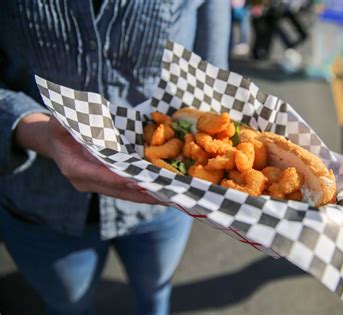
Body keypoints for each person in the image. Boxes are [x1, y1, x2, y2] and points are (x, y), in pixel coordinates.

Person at [0, 1, 230, 314]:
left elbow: (213, 77)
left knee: (156, 293)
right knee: (67, 307)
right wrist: (40, 134)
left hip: (160, 201)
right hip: (42, 204)